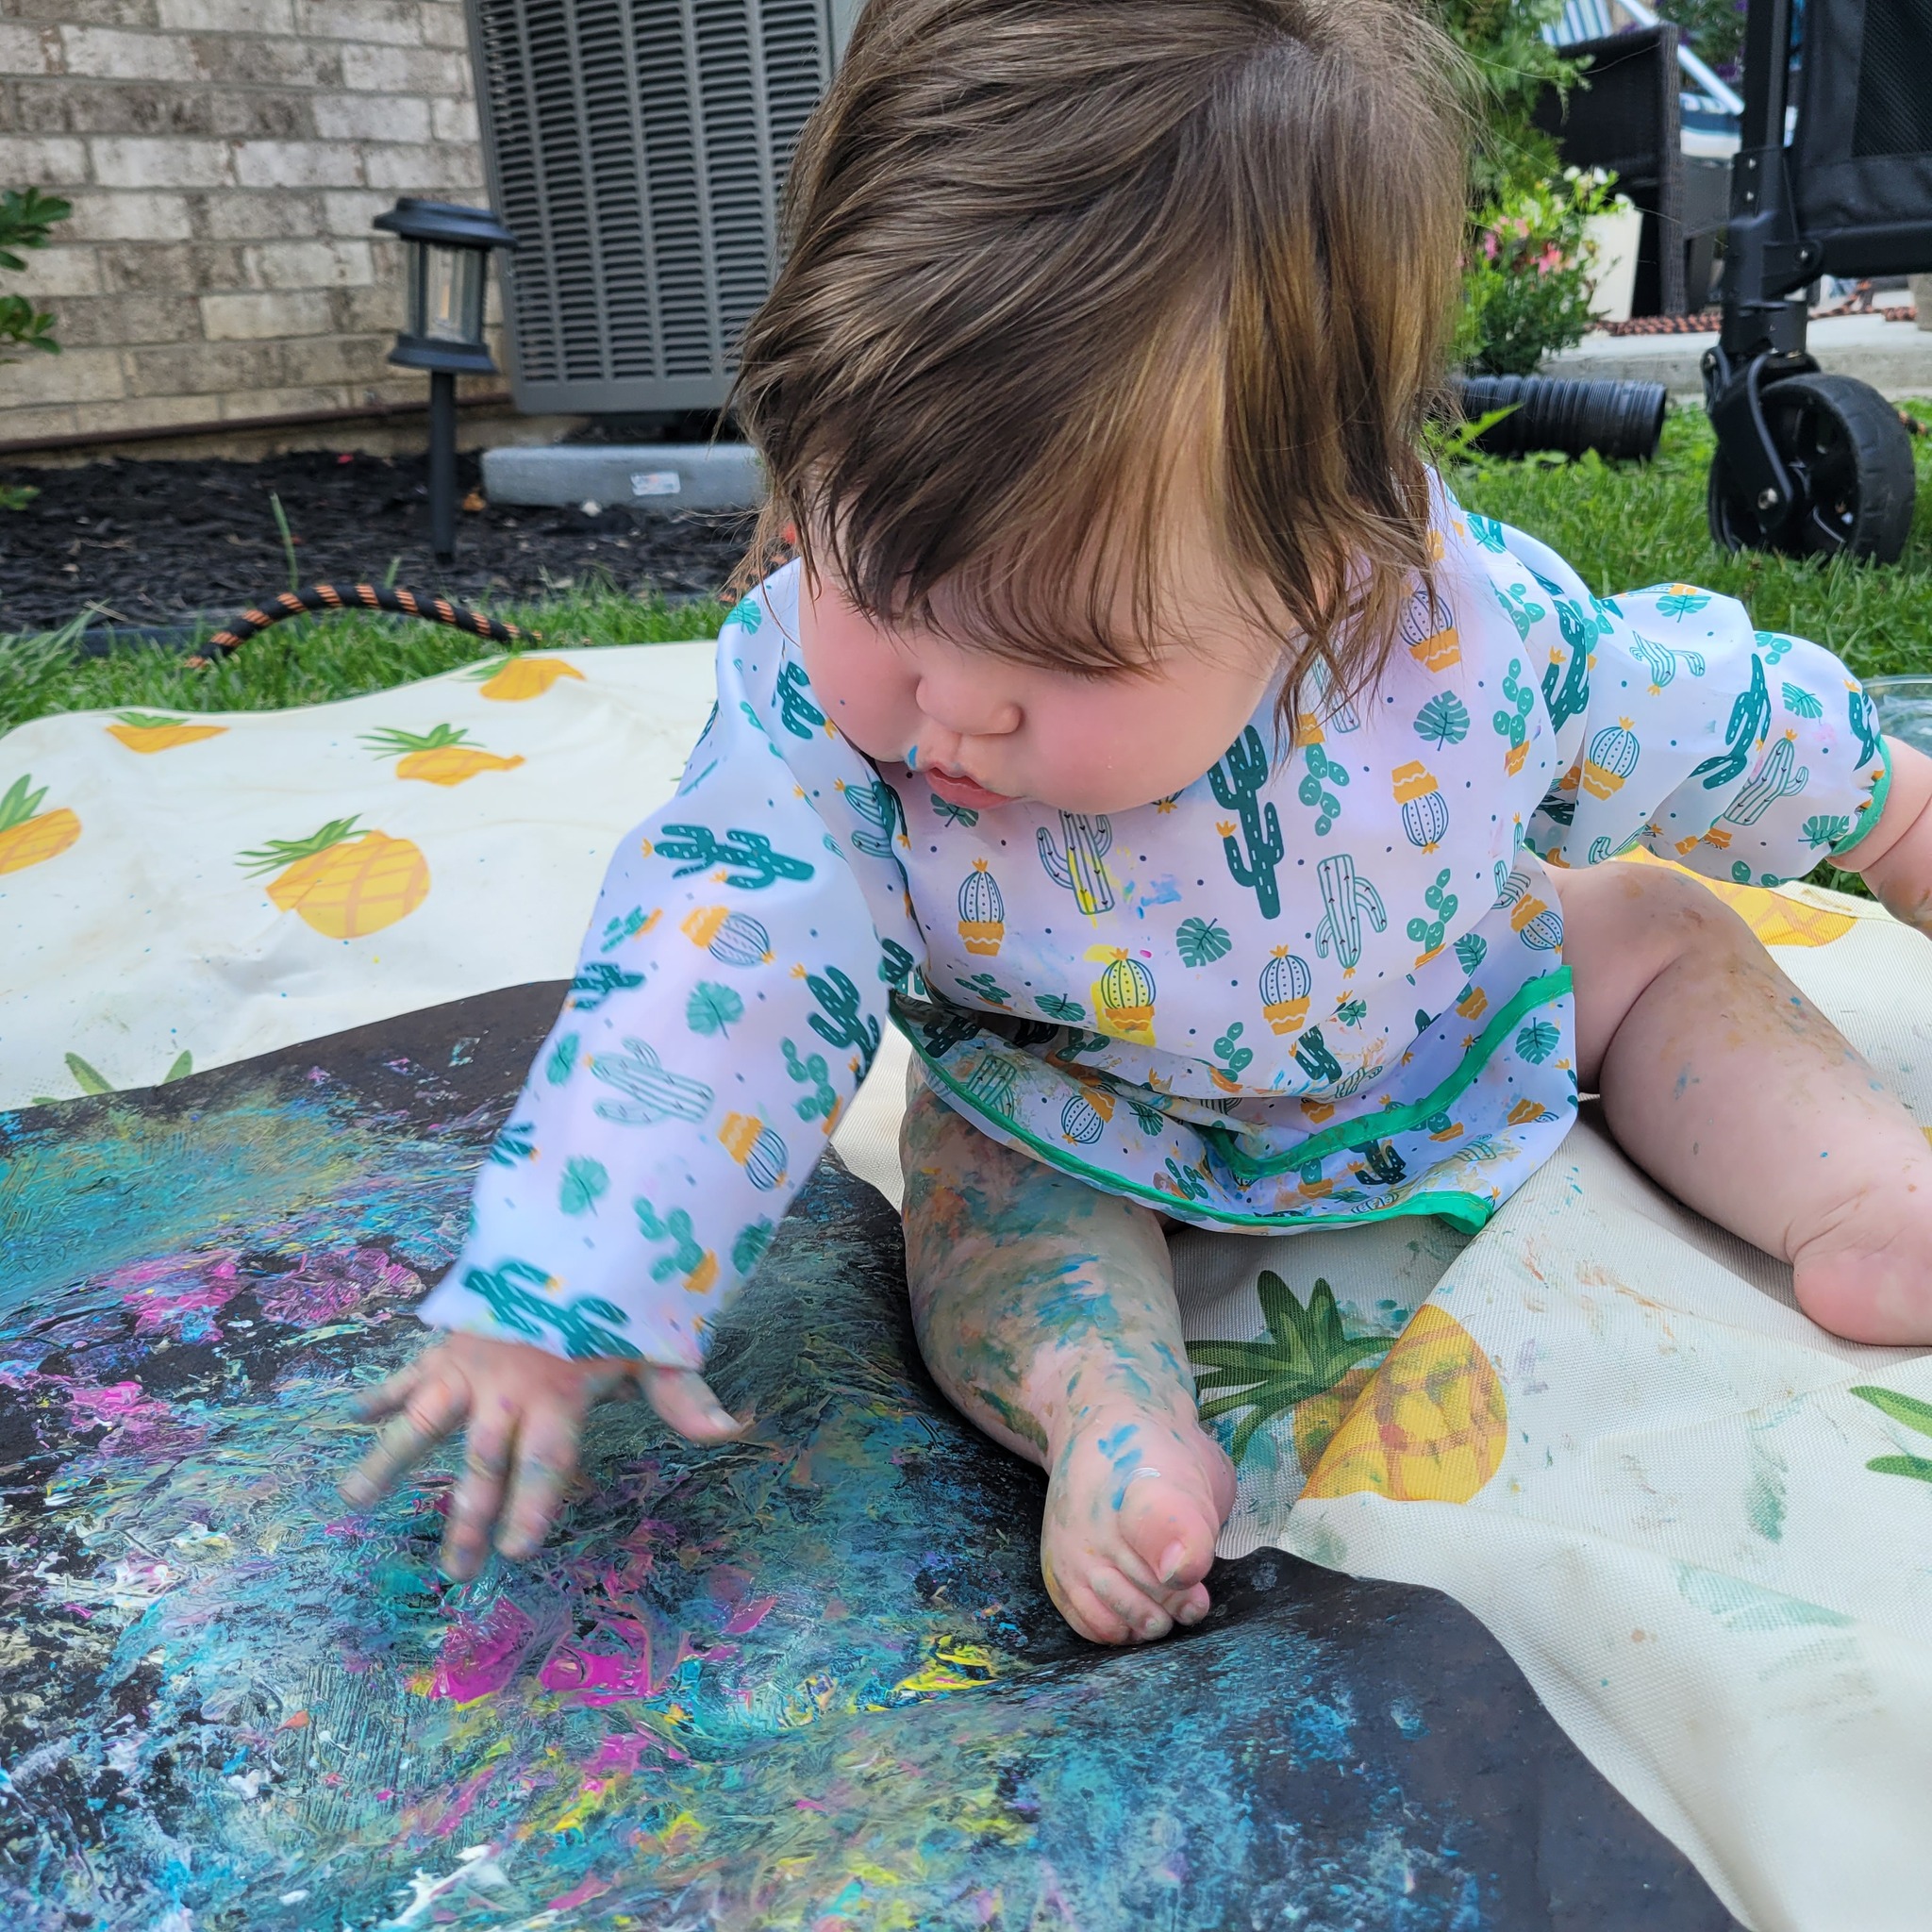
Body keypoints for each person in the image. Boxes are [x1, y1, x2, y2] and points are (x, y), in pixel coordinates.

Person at [339, 0, 1932, 1646]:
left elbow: (1686, 706)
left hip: (1448, 1010)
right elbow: (717, 954)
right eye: (875, 583)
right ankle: (1115, 1429)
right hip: (1078, 1099)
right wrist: (573, 1268)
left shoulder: (1459, 634)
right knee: (979, 1205)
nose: (948, 706)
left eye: (1060, 652)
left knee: (1660, 932)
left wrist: (1884, 809)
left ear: (1322, 567)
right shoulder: (822, 728)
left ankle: (1867, 1194)